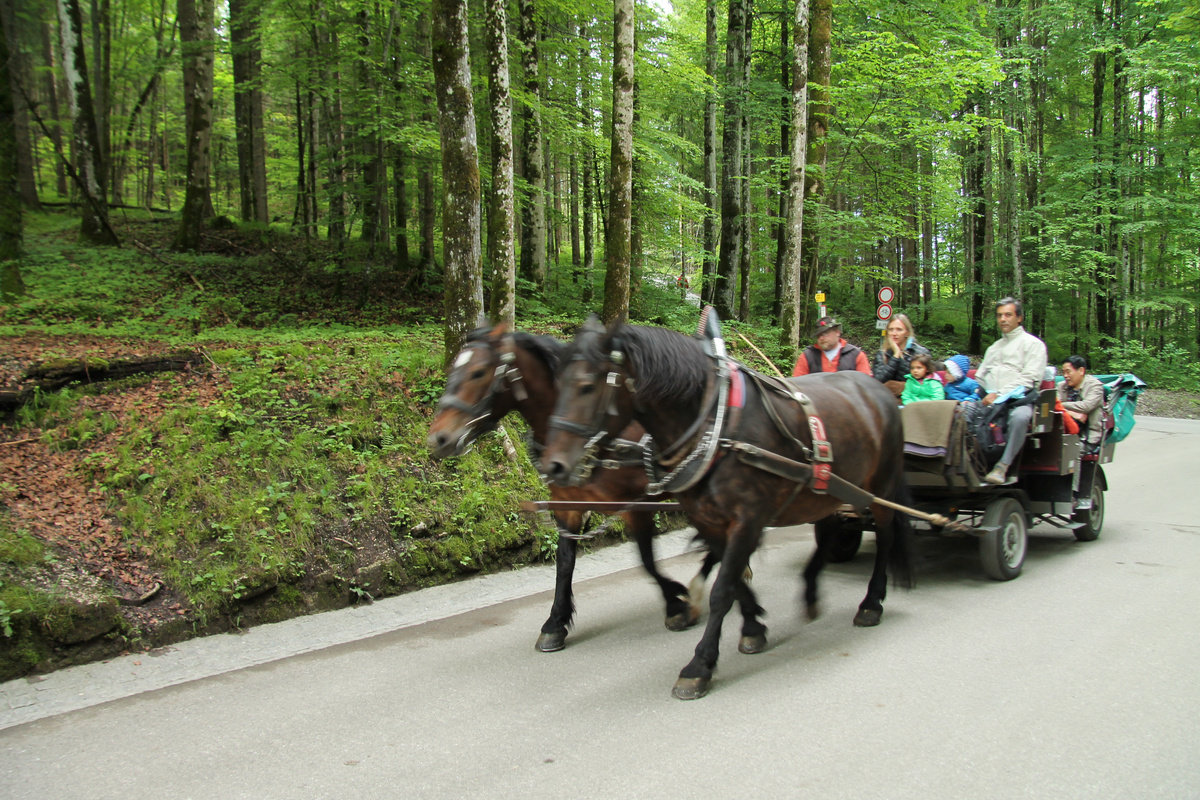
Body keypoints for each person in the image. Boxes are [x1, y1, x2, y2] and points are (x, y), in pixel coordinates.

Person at [976, 297, 1048, 484]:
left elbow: (1030, 378)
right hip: (990, 399)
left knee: (1020, 417)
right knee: (962, 412)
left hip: (1019, 400)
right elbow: (980, 375)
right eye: (999, 315)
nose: (1003, 319)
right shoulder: (993, 348)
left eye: (1008, 315)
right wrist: (984, 394)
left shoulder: (1033, 345)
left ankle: (1002, 466)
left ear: (1019, 318)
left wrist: (1000, 395)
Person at [792, 316, 872, 376]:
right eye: (818, 336)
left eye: (825, 334)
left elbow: (865, 385)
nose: (821, 338)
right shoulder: (808, 356)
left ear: (837, 332)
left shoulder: (856, 355)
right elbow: (797, 385)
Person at [872, 314, 931, 391]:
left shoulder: (921, 353)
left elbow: (929, 384)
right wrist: (895, 356)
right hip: (886, 395)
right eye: (891, 329)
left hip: (913, 395)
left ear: (907, 332)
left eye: (899, 330)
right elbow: (878, 381)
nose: (894, 333)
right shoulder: (882, 353)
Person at [1058, 355, 1104, 446]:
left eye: (1068, 372)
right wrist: (1073, 413)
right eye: (1063, 372)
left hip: (1087, 436)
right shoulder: (1061, 386)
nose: (1065, 376)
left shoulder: (1095, 386)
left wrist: (1061, 405)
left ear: (1081, 371)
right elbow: (1052, 406)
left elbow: (1086, 406)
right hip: (1063, 432)